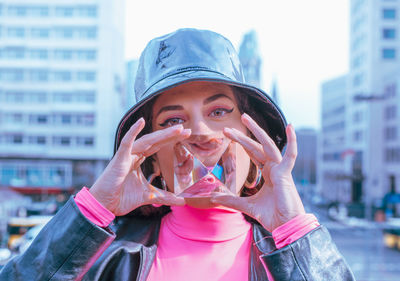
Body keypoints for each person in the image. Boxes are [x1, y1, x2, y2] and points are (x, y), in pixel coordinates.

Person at [0, 28, 355, 281]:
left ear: (252, 137)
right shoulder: (105, 258)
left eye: (218, 112)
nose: (200, 133)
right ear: (150, 156)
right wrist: (94, 210)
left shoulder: (287, 258)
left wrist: (293, 232)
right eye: (173, 119)